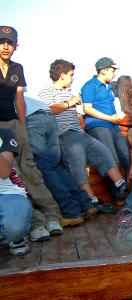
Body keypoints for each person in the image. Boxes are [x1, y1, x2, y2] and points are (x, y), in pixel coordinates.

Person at [38, 59, 128, 214]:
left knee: (103, 151)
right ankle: (91, 200)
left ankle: (121, 185)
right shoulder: (47, 91)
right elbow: (48, 110)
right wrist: (69, 103)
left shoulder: (68, 92)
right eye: (71, 75)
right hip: (64, 135)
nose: (73, 78)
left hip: (80, 133)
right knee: (77, 164)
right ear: (62, 75)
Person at [0, 25, 63, 242]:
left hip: (15, 123)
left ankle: (52, 215)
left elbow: (19, 100)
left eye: (9, 42)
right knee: (12, 172)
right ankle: (35, 222)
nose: (5, 46)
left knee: (29, 167)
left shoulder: (17, 68)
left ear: (17, 46)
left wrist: (23, 126)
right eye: (1, 42)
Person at [25, 96, 97, 224]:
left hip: (30, 119)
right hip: (47, 115)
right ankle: (85, 205)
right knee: (55, 165)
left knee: (44, 166)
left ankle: (71, 212)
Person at [81, 57, 130, 174]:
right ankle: (118, 191)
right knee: (111, 159)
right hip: (99, 127)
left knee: (127, 156)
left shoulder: (108, 87)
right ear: (103, 71)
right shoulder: (89, 85)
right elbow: (87, 109)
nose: (114, 74)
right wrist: (110, 118)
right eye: (112, 71)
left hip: (114, 126)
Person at [0, 128, 32, 255]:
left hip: (7, 193)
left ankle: (16, 238)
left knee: (14, 229)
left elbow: (4, 173)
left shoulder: (4, 134)